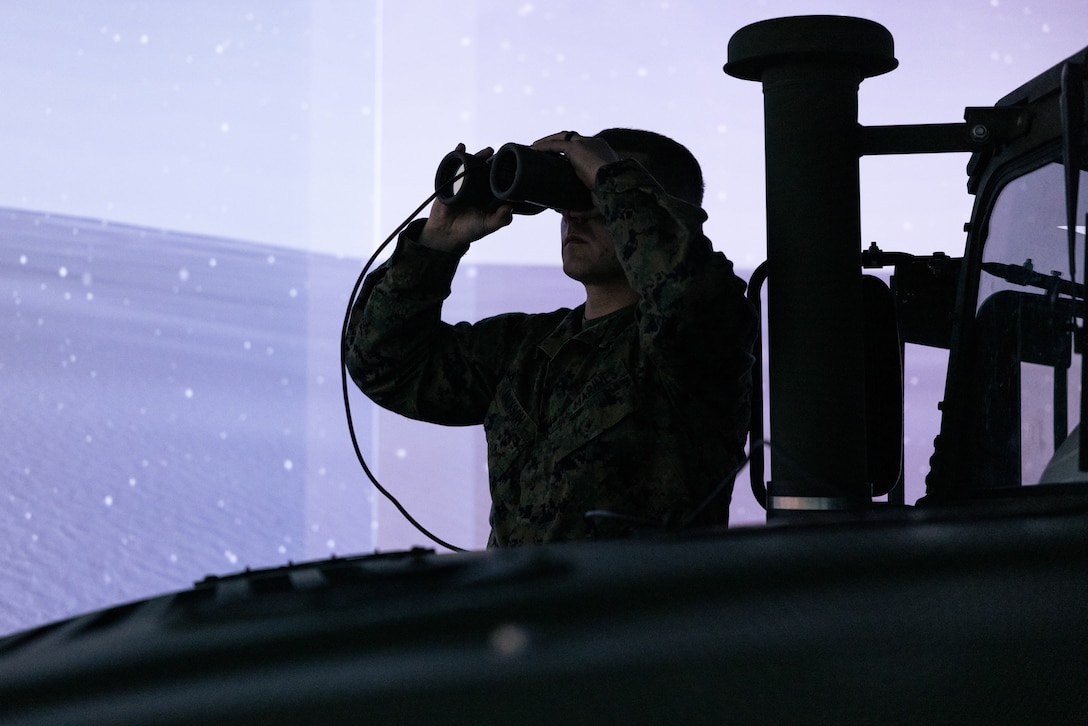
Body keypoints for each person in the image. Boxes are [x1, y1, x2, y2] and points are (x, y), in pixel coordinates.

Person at [345, 128, 757, 547]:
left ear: (652, 210)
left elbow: (687, 297)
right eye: (570, 197)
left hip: (641, 610)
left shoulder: (697, 345)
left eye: (597, 198)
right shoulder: (527, 350)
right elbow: (385, 366)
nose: (575, 214)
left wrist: (607, 175)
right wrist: (436, 244)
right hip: (526, 606)